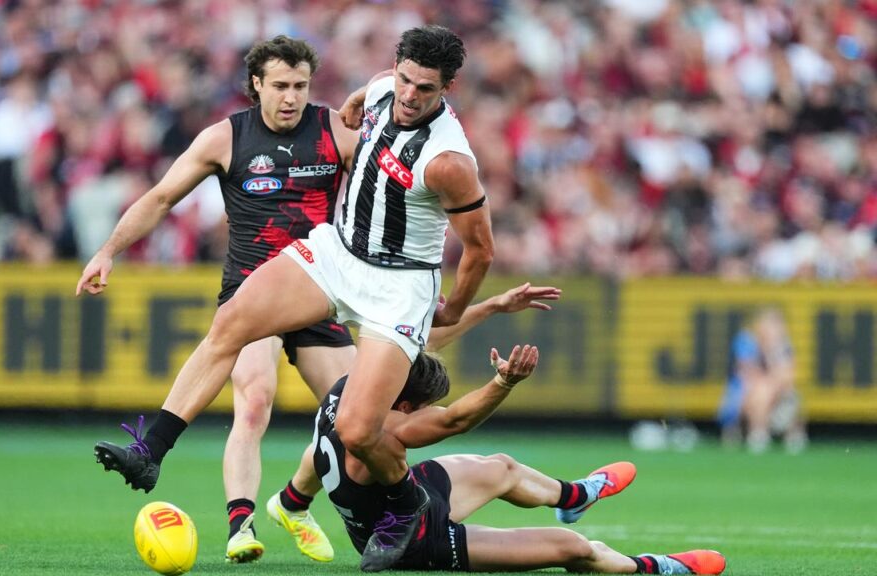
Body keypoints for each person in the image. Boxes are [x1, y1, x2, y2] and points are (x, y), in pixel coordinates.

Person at [84, 25, 508, 571]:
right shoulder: (381, 89)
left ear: (448, 87)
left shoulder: (449, 161)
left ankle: (406, 504)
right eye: (403, 79)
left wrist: (453, 304)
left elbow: (481, 249)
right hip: (338, 253)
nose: (407, 95)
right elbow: (366, 96)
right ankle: (151, 452)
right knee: (232, 324)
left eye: (424, 89)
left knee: (355, 429)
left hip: (398, 284)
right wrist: (110, 250)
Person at [267, 345, 727, 575]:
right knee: (573, 549)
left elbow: (313, 453)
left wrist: (293, 498)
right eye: (426, 406)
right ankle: (657, 566)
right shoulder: (386, 430)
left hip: (392, 504)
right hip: (415, 541)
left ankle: (573, 496)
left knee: (502, 467)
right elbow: (456, 422)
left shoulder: (345, 388)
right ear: (405, 405)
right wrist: (504, 383)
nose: (431, 413)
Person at [718, 307, 808, 454]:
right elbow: (747, 374)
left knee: (790, 394)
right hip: (742, 396)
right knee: (761, 391)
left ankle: (792, 436)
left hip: (774, 395)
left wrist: (772, 357)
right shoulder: (747, 341)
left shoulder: (782, 346)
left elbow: (789, 376)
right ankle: (758, 434)